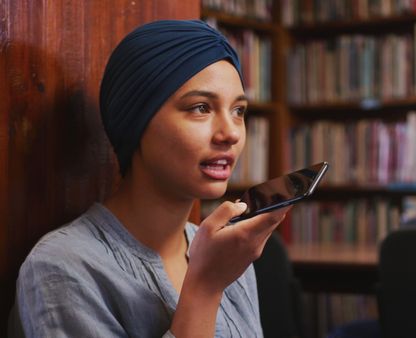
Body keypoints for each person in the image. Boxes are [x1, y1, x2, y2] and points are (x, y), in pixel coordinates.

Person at [8, 19, 289, 337]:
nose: (231, 133)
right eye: (200, 107)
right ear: (136, 121)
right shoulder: (61, 267)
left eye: (238, 111)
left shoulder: (228, 251)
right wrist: (206, 287)